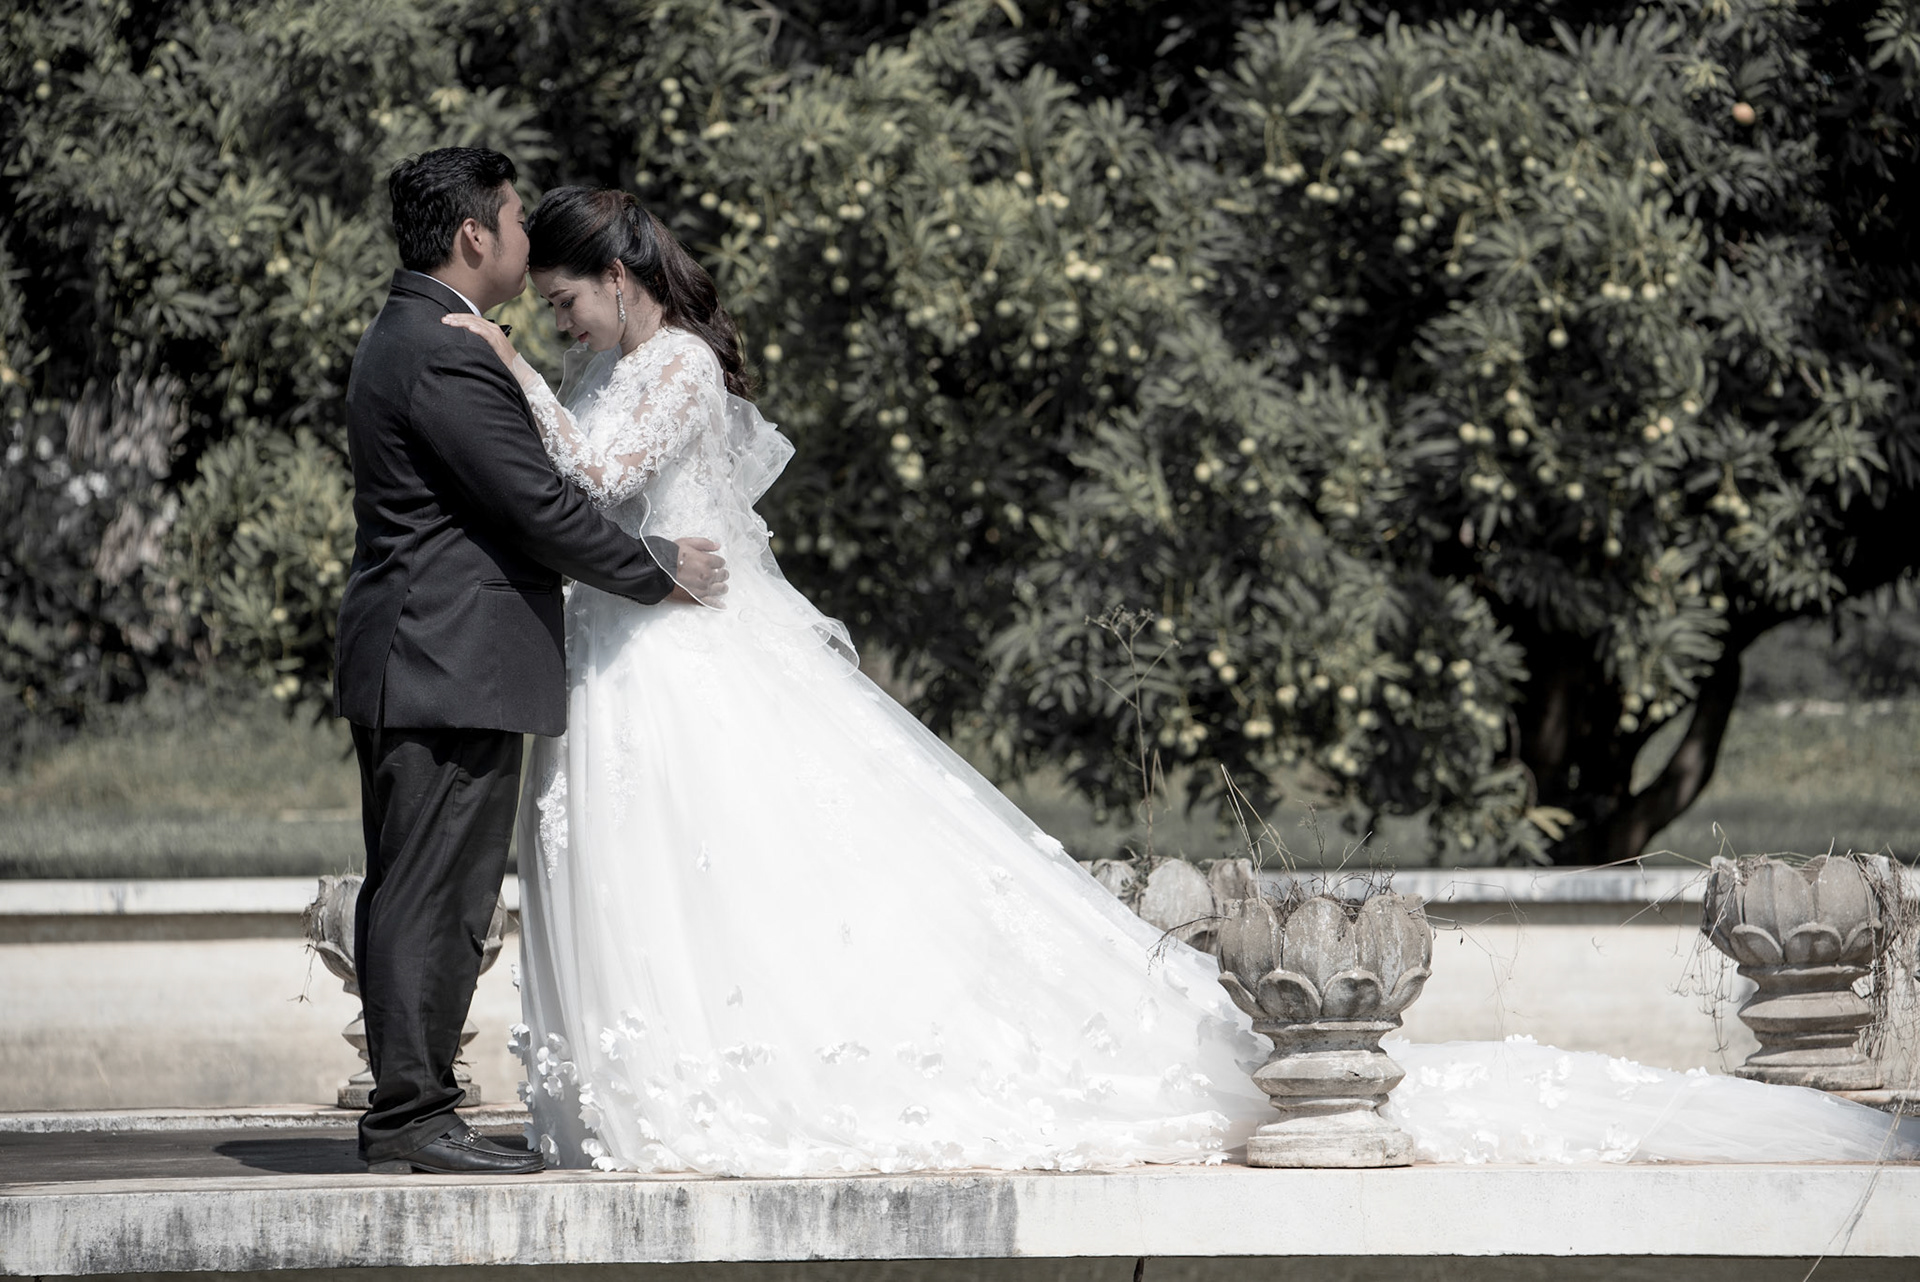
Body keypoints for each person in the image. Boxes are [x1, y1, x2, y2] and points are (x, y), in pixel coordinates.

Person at [446, 187, 1920, 1175]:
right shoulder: (613, 366)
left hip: (690, 657)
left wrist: (502, 375)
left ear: (620, 278)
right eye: (547, 311)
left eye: (566, 301)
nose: (558, 324)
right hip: (637, 649)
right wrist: (533, 385)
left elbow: (594, 481)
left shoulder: (674, 367)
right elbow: (595, 493)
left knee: (732, 863)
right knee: (684, 873)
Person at [335, 149, 727, 1176]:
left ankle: (417, 1107)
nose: (523, 233)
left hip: (434, 655)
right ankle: (413, 1114)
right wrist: (656, 570)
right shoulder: (448, 349)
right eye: (513, 218)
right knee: (431, 894)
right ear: (476, 235)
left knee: (431, 889)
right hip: (444, 657)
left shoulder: (413, 331)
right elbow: (542, 507)